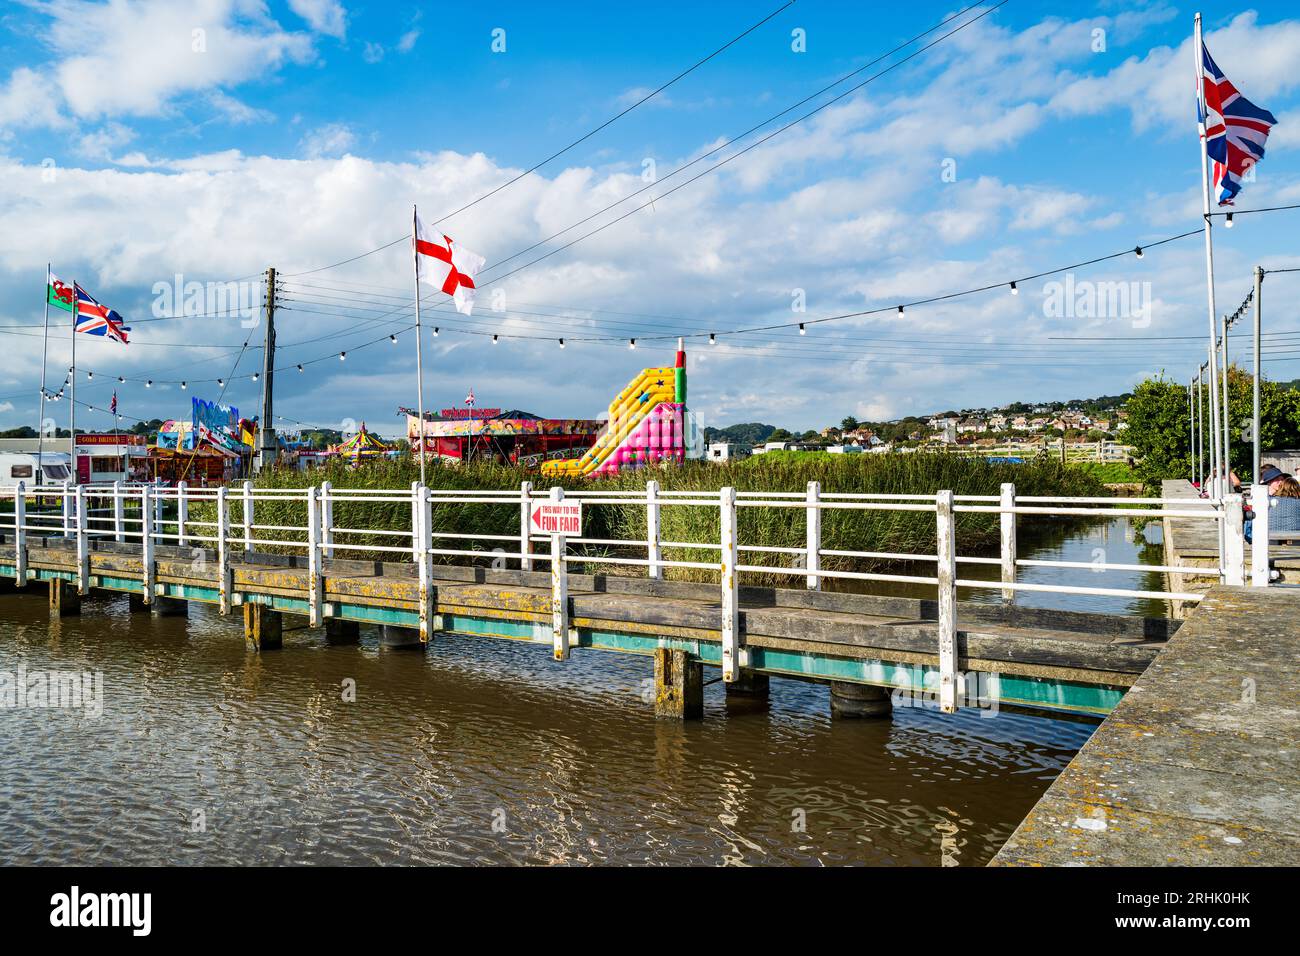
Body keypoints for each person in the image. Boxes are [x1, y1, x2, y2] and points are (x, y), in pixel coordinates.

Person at [1244, 468, 1300, 544]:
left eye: (1282, 479)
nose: (1281, 482)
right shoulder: (1261, 501)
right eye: (1277, 479)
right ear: (1268, 482)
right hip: (1270, 543)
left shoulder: (1264, 500)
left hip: (1268, 544)